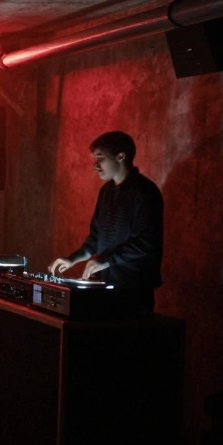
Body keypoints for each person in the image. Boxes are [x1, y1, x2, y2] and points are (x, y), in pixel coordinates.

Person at [49, 130, 164, 312]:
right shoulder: (106, 192)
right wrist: (72, 259)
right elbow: (95, 238)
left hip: (134, 289)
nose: (95, 165)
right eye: (94, 159)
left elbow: (146, 243)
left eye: (100, 158)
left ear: (120, 156)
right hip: (105, 284)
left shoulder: (144, 193)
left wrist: (107, 261)